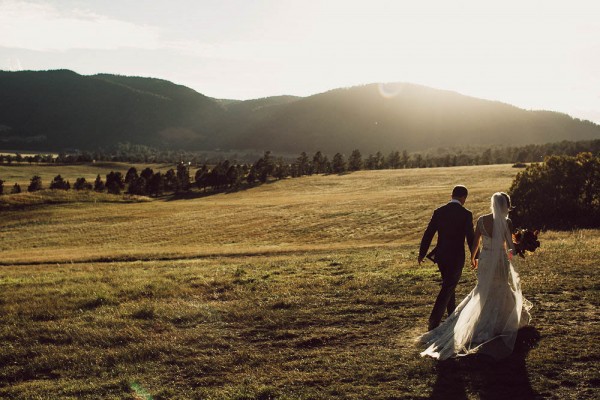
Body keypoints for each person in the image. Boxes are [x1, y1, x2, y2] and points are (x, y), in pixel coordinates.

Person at [419, 192, 532, 360]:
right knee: (501, 286)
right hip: (500, 260)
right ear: (505, 206)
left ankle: (475, 321)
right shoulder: (507, 222)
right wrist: (518, 248)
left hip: (485, 259)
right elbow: (509, 247)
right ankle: (500, 322)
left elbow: (475, 242)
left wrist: (474, 258)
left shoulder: (481, 220)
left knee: (483, 289)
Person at [419, 185, 475, 331]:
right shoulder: (466, 214)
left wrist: (422, 253)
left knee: (449, 286)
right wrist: (475, 256)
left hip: (441, 256)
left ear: (452, 195)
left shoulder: (439, 212)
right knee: (448, 287)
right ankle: (434, 321)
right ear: (464, 198)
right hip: (457, 256)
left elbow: (428, 233)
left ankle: (451, 317)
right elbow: (470, 238)